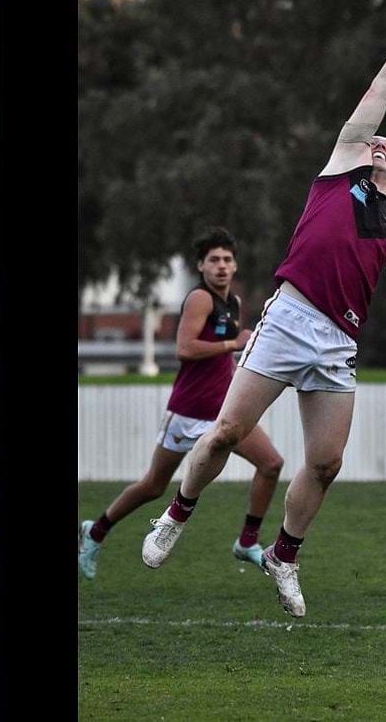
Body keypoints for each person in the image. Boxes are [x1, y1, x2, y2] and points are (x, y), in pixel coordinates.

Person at [140, 2, 386, 619]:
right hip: (289, 318)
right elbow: (381, 88)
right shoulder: (341, 168)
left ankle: (284, 553)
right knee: (226, 432)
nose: (382, 143)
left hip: (337, 343)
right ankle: (177, 513)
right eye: (375, 141)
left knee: (326, 462)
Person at [78, 227, 286, 579]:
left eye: (227, 260)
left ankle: (247, 541)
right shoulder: (199, 299)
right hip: (187, 412)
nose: (221, 266)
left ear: (235, 266)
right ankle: (94, 532)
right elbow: (185, 349)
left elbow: (227, 355)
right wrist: (232, 345)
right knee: (154, 486)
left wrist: (239, 373)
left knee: (271, 463)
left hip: (222, 413)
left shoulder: (233, 302)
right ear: (201, 266)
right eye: (214, 260)